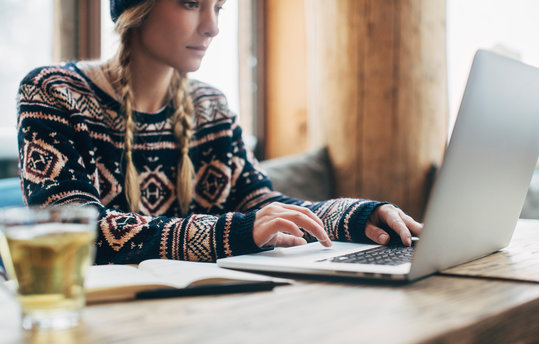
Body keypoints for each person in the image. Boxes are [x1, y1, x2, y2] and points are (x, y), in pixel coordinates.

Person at [16, 0, 422, 265]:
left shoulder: (211, 106)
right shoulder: (53, 93)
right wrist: (237, 232)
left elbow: (264, 204)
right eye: (192, 4)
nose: (212, 27)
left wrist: (356, 216)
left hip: (196, 314)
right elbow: (76, 234)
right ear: (137, 8)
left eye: (219, 7)